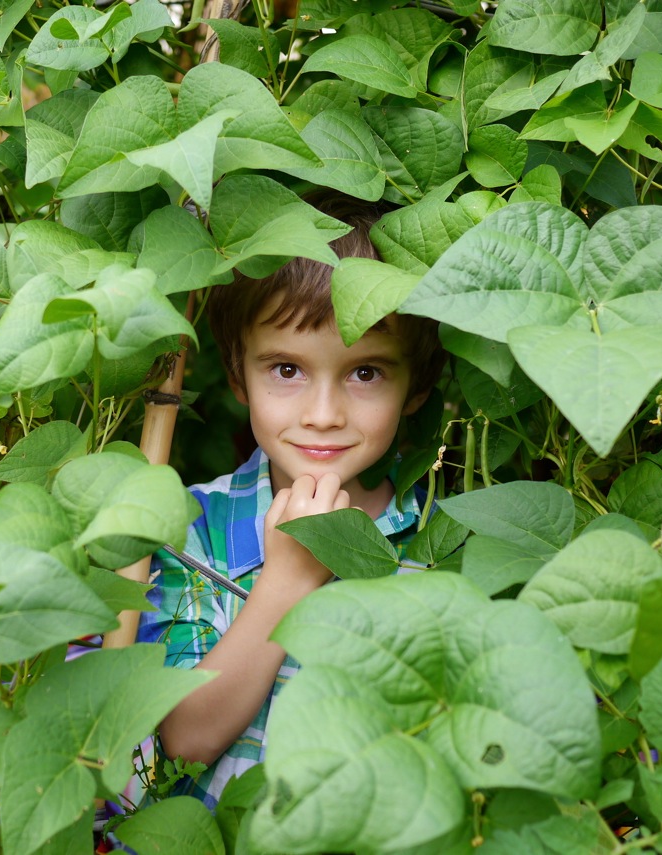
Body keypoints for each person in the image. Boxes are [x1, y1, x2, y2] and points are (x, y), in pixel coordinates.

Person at [135, 193, 444, 809]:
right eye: (285, 369)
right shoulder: (185, 529)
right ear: (236, 371)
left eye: (366, 373)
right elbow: (183, 739)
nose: (323, 415)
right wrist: (288, 580)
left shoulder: (438, 542)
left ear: (418, 385)